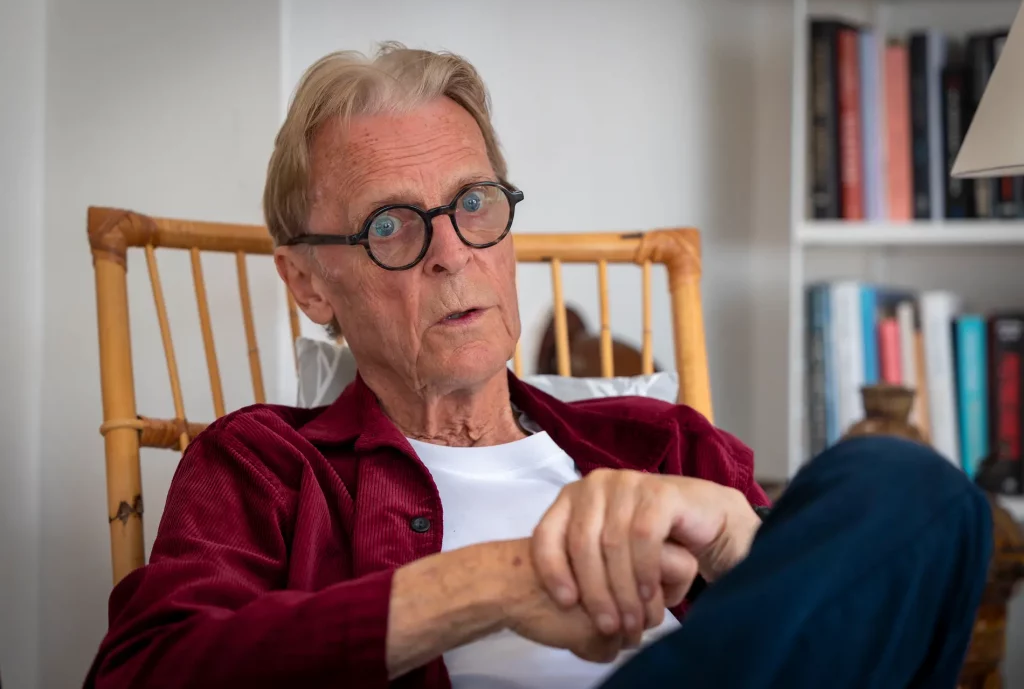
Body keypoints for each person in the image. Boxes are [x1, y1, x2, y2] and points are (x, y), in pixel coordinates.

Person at [84, 44, 992, 689]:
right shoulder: (266, 467)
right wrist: (500, 583)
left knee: (908, 483)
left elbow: (833, 635)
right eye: (390, 225)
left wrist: (734, 539)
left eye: (475, 203)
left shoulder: (661, 445)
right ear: (309, 284)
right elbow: (142, 672)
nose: (453, 253)